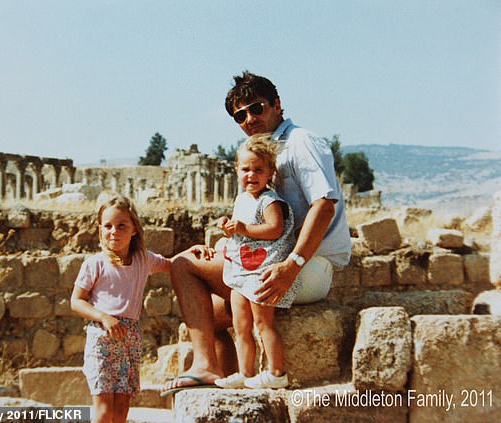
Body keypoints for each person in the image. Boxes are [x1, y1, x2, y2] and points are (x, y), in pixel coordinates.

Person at [161, 71, 351, 394]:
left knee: (182, 265)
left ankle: (206, 366)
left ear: (277, 105)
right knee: (212, 316)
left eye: (256, 108)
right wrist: (224, 249)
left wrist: (293, 265)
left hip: (308, 266)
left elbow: (324, 205)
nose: (249, 119)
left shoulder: (300, 142)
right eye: (240, 115)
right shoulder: (261, 153)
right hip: (271, 260)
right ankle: (231, 383)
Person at [71, 196, 212, 422]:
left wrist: (191, 252)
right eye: (107, 226)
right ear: (100, 229)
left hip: (130, 340)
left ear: (134, 229)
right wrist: (104, 317)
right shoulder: (94, 263)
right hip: (102, 338)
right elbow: (76, 301)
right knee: (104, 411)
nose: (114, 231)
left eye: (121, 226)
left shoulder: (143, 259)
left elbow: (173, 264)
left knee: (121, 411)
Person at [214, 135, 298, 389]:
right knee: (241, 325)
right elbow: (242, 229)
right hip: (242, 271)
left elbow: (274, 229)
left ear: (270, 171)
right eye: (246, 169)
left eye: (258, 169)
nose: (251, 175)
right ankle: (245, 372)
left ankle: (276, 372)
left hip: (261, 271)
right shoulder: (242, 199)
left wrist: (244, 227)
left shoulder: (269, 201)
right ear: (237, 170)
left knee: (263, 322)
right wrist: (228, 226)